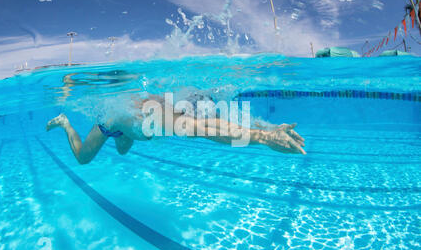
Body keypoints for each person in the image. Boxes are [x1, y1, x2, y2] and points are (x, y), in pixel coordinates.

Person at [46, 93, 306, 165]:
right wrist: (265, 137)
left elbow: (221, 119)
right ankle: (64, 122)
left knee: (124, 149)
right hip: (112, 124)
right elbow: (206, 128)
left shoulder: (180, 106)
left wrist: (272, 127)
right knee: (82, 158)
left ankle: (121, 136)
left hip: (130, 125)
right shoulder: (157, 117)